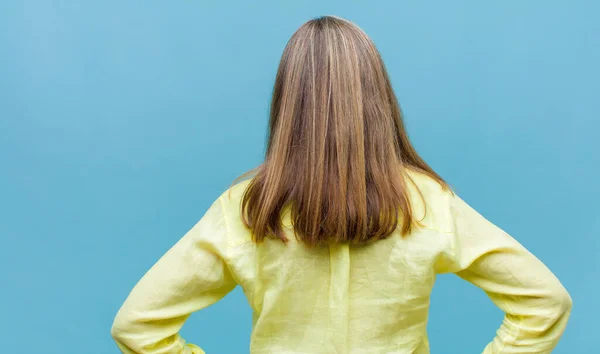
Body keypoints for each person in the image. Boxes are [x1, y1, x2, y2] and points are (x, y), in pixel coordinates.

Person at [110, 15, 572, 354]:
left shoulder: (247, 208)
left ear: (288, 103)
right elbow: (545, 303)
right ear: (377, 98)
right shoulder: (427, 203)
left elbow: (136, 327)